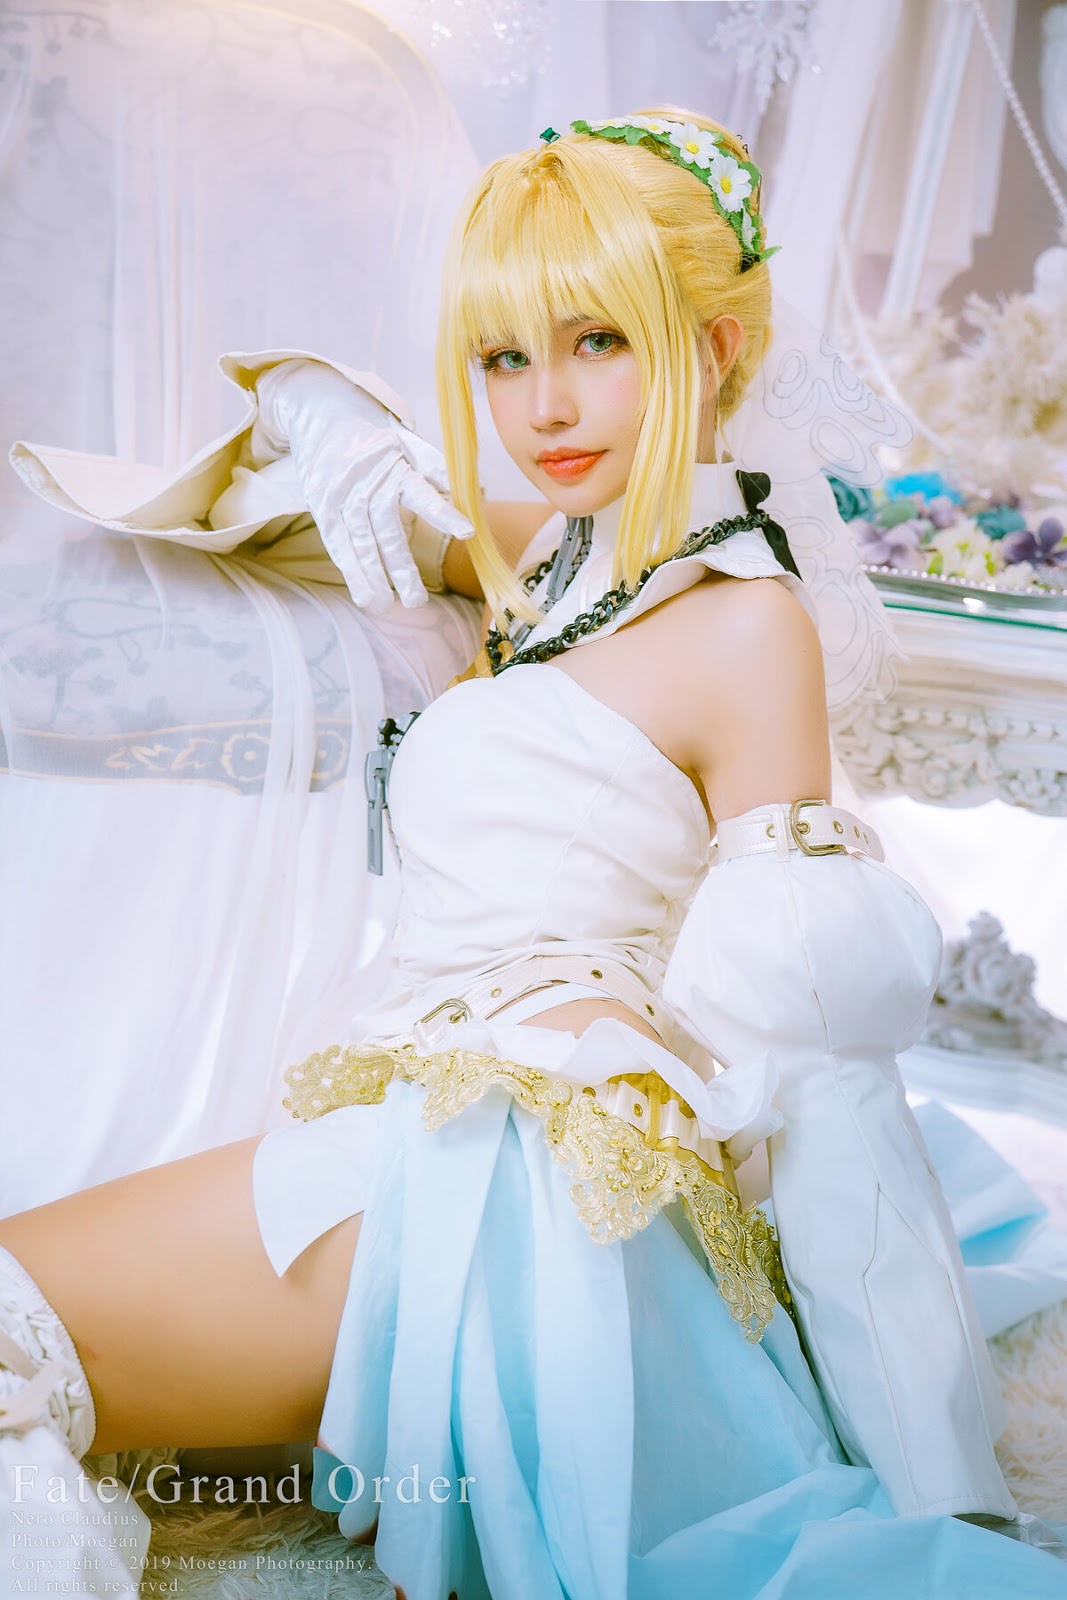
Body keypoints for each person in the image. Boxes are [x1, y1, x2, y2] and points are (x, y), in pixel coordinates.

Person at [2, 110, 1065, 1600]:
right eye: (502, 358)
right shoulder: (554, 555)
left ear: (718, 349)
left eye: (597, 342)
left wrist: (933, 1468)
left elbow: (826, 1065)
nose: (544, 406)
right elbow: (261, 501)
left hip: (530, 1196)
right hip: (426, 1121)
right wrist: (324, 405)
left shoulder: (743, 626)